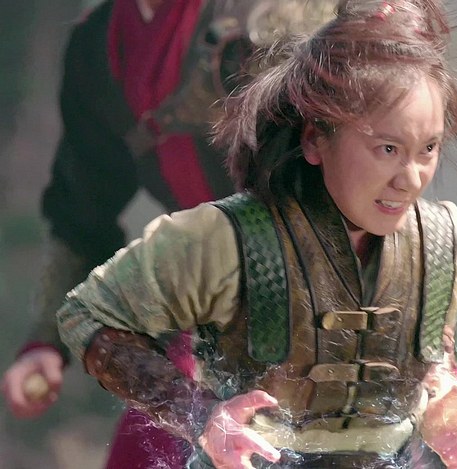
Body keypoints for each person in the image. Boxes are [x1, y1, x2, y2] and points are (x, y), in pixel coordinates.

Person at [57, 0, 457, 467]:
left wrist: (443, 407)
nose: (410, 179)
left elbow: (431, 356)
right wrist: (198, 415)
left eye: (427, 149)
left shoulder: (441, 242)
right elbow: (87, 314)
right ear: (315, 139)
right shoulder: (224, 241)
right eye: (387, 149)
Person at [1, 0, 337, 467]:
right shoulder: (99, 43)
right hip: (206, 316)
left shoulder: (275, 12)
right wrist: (46, 342)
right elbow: (83, 211)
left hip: (323, 306)